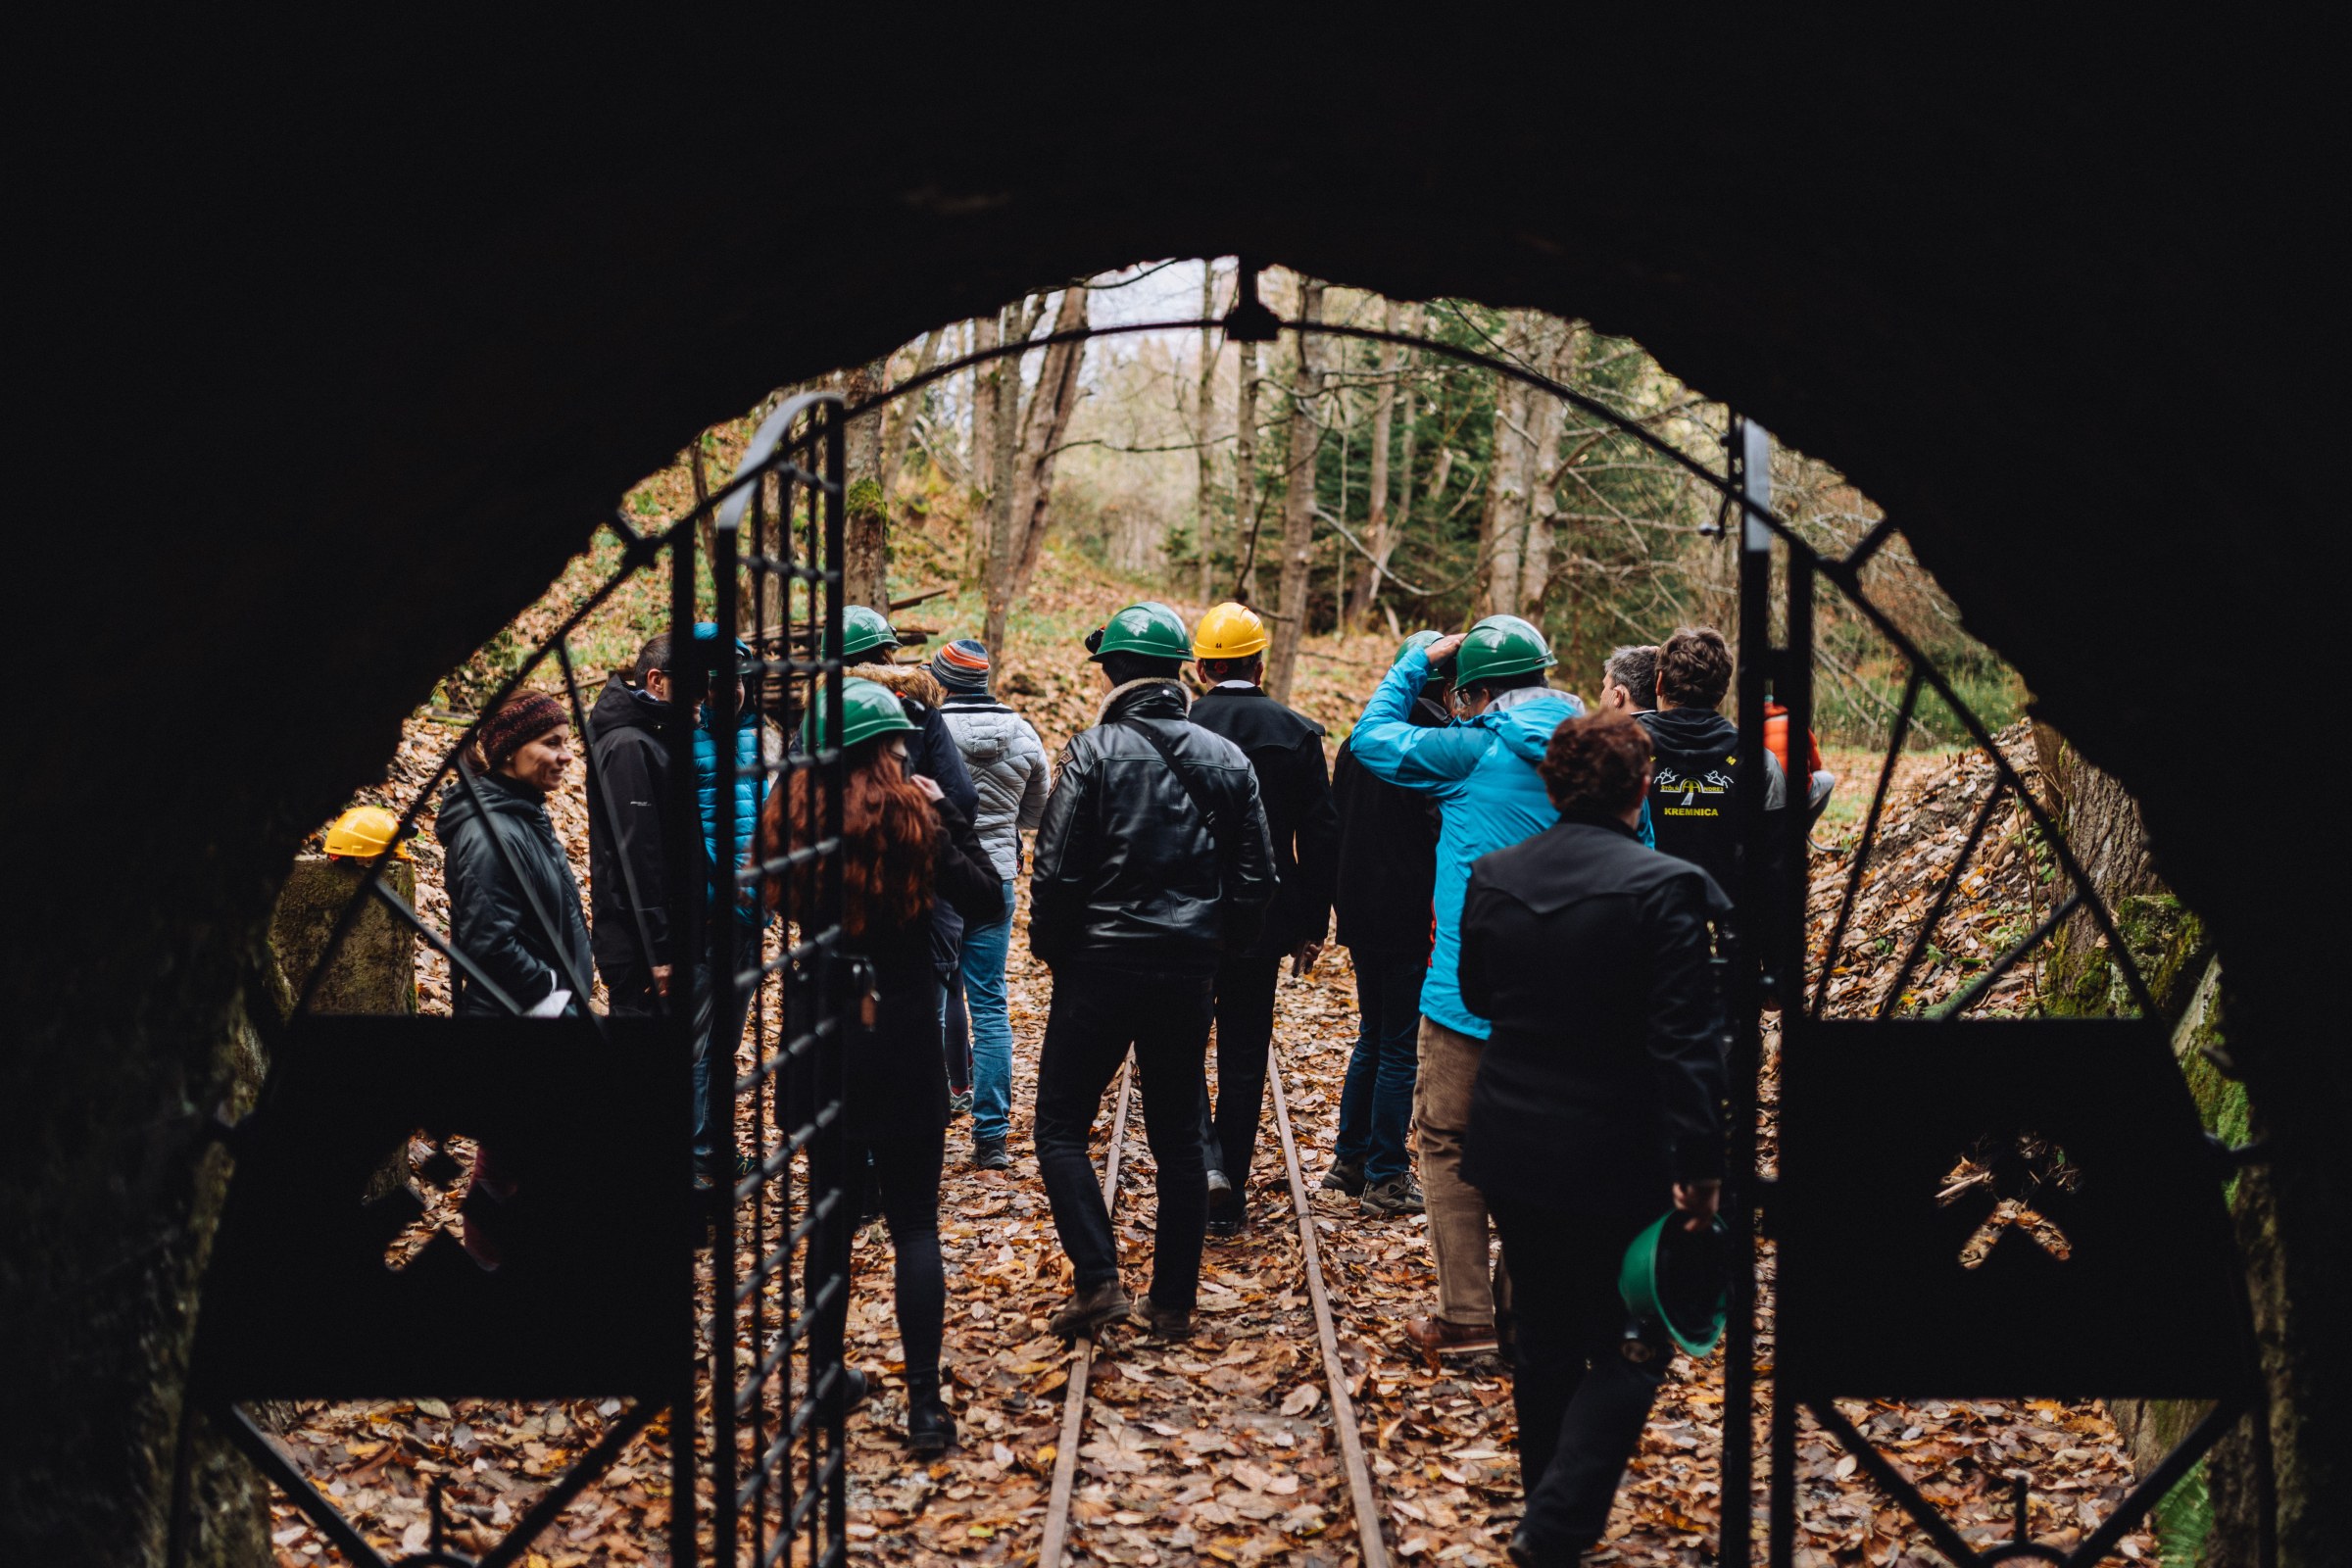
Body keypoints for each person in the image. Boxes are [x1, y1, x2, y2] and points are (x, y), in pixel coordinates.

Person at [1455, 713, 1727, 1568]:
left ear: (1551, 785)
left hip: (1514, 1143)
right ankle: (1558, 1526)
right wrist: (1700, 1166)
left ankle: (1548, 1517)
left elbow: (1479, 993)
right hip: (1620, 1149)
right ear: (1642, 787)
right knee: (1633, 1341)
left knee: (1542, 1336)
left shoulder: (1494, 876)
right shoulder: (1667, 887)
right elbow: (1686, 1040)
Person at [762, 677, 1004, 1454]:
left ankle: (826, 1379)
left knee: (829, 1218)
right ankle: (926, 1406)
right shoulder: (918, 815)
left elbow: (774, 898)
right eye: (899, 739)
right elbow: (989, 902)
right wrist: (948, 816)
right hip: (900, 1030)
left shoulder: (790, 814)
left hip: (819, 1028)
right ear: (885, 745)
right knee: (914, 1224)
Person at [1028, 601, 1277, 1341]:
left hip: (1098, 968)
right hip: (1186, 972)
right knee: (1178, 1137)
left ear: (1111, 673)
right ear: (1178, 672)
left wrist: (1057, 952)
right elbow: (1258, 881)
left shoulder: (1092, 750)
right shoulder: (1228, 760)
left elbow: (1056, 872)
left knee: (1061, 1126)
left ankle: (1100, 1278)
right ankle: (1173, 1303)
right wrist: (1215, 947)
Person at [1348, 615, 1583, 1361]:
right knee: (1545, 1150)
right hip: (1568, 998)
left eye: (1459, 691)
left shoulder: (1467, 752)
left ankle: (1467, 1317)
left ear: (1475, 692)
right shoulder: (1602, 753)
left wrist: (1415, 661)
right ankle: (1529, 1312)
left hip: (1462, 995)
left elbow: (1371, 738)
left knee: (1449, 1141)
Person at [1184, 602, 1340, 1238]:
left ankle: (1206, 1163)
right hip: (1264, 919)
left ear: (1201, 667)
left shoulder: (1181, 725)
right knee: (1246, 1053)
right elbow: (1321, 834)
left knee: (1180, 1046)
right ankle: (1232, 1189)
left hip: (1184, 918)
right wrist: (1313, 921)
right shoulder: (1296, 730)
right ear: (1259, 662)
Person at [1325, 629, 1447, 1218]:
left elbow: (1335, 820)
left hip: (1361, 912)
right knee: (1399, 1045)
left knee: (1373, 1035)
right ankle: (1386, 1177)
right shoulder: (1437, 745)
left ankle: (1348, 1161)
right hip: (1407, 914)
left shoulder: (1358, 742)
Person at [929, 637, 1050, 1170]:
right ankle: (992, 1136)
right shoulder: (1023, 731)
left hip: (935, 877)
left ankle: (927, 1116)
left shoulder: (929, 730)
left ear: (942, 680)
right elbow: (1037, 811)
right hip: (995, 876)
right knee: (990, 1003)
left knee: (929, 1001)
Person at [436, 692, 593, 1018]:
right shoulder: (488, 835)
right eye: (551, 744)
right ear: (509, 751)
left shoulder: (525, 815)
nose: (567, 757)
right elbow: (490, 944)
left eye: (567, 743)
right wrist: (550, 988)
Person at [1635, 625, 1785, 903]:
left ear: (1658, 683)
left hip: (1645, 910)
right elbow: (1773, 861)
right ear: (1722, 692)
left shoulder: (1622, 752)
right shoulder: (1760, 762)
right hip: (1730, 911)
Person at [586, 634, 685, 1018]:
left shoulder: (650, 736)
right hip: (639, 954)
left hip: (650, 945)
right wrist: (658, 951)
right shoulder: (629, 745)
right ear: (657, 681)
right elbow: (637, 859)